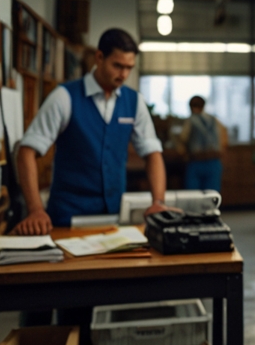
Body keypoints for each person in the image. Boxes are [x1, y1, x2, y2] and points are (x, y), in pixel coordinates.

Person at [13, 29, 167, 234]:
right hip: (66, 219)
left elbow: (152, 153)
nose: (123, 74)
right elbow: (26, 152)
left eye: (129, 67)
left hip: (114, 220)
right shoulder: (64, 97)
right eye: (117, 66)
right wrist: (35, 210)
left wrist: (158, 201)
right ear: (99, 57)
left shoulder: (134, 102)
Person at [179, 96, 228, 191]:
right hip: (213, 160)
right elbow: (224, 135)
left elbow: (183, 138)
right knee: (211, 195)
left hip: (197, 161)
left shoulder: (190, 120)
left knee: (193, 196)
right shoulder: (214, 120)